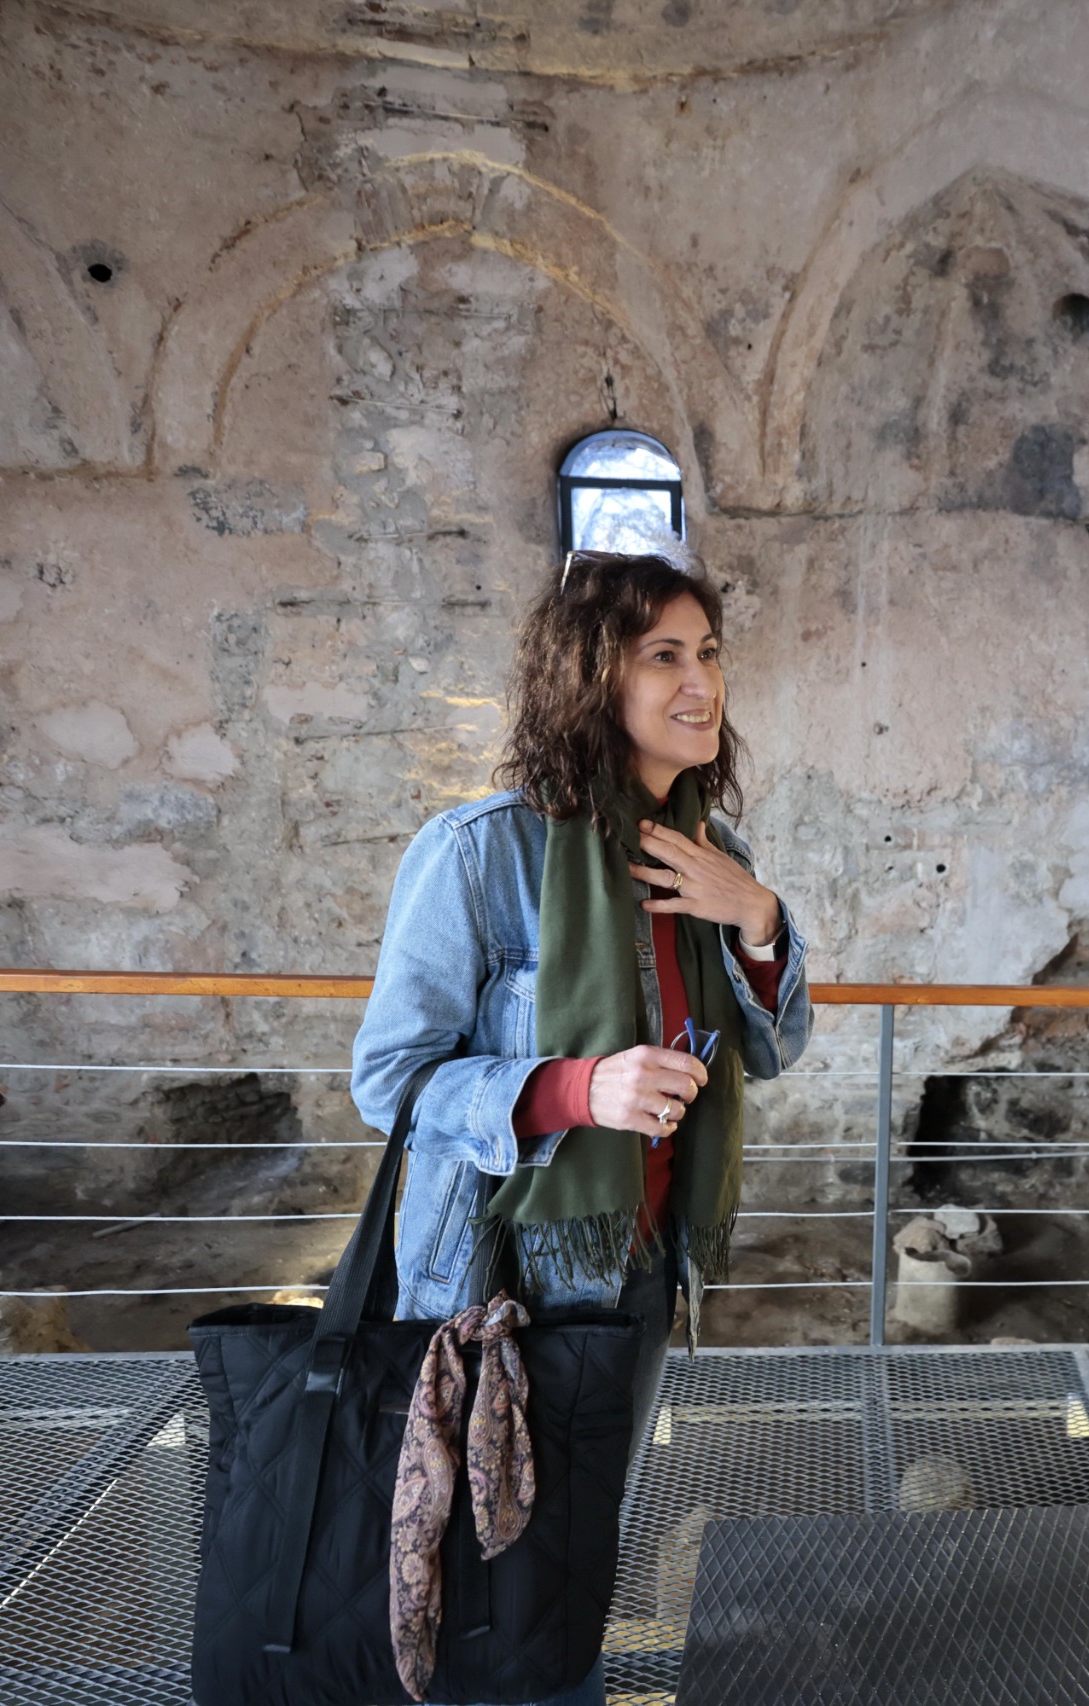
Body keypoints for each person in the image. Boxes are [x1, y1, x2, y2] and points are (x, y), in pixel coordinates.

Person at [350, 550, 811, 1706]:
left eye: (708, 653)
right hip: (501, 1284)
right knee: (487, 1563)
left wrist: (754, 917)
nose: (700, 681)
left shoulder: (712, 857)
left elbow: (772, 1044)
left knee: (577, 1552)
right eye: (665, 655)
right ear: (591, 674)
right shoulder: (478, 852)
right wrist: (574, 1090)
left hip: (640, 1272)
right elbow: (390, 1080)